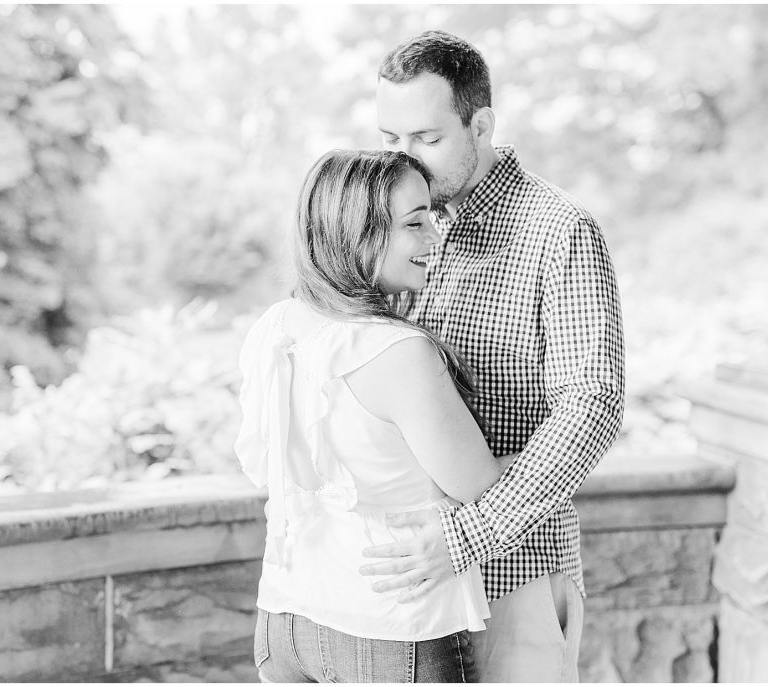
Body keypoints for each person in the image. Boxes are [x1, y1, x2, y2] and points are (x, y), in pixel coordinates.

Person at [358, 30, 626, 682]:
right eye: (390, 139)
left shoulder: (559, 230)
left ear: (482, 124)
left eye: (426, 138)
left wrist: (468, 535)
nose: (405, 159)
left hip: (514, 574)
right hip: (415, 587)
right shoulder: (394, 227)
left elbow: (592, 408)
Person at [235, 149, 513, 682]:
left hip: (285, 620)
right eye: (415, 224)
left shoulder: (273, 328)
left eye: (432, 218)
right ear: (357, 233)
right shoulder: (395, 350)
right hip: (390, 631)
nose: (436, 238)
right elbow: (480, 485)